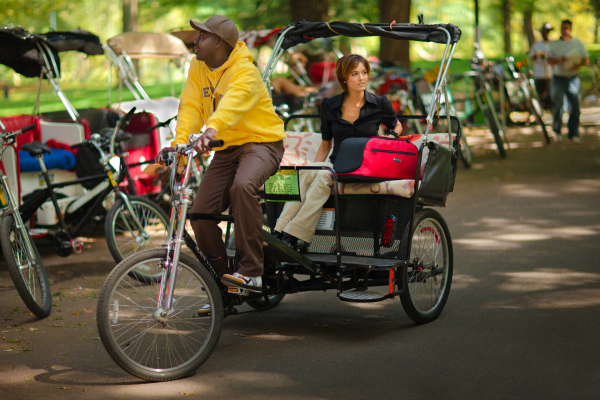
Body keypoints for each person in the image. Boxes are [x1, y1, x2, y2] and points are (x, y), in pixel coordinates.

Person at [161, 15, 286, 292]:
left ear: (219, 42)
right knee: (200, 214)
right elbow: (191, 105)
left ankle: (252, 272)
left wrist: (212, 128)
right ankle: (222, 286)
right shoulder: (198, 65)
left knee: (243, 187)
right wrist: (179, 142)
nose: (196, 41)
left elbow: (233, 102)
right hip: (225, 147)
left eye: (202, 36)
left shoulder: (245, 70)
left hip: (262, 143)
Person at [274, 54, 403, 250]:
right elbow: (326, 144)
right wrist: (313, 167)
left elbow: (397, 126)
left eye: (364, 73)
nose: (361, 78)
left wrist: (391, 138)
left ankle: (292, 236)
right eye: (354, 74)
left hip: (365, 166)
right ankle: (279, 230)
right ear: (344, 78)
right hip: (338, 163)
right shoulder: (330, 105)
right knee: (309, 171)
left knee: (324, 176)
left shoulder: (379, 104)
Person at [547, 19, 589, 143]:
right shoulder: (554, 44)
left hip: (573, 78)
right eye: (563, 28)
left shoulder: (577, 43)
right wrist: (561, 60)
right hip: (558, 78)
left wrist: (578, 65)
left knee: (575, 107)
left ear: (570, 29)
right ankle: (557, 131)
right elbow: (548, 60)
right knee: (558, 105)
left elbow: (585, 59)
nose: (565, 30)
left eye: (567, 28)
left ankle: (573, 133)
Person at [528, 23, 554, 108]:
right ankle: (541, 107)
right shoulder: (537, 44)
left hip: (549, 72)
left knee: (549, 91)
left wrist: (545, 57)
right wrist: (536, 56)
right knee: (540, 91)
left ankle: (550, 107)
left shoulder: (552, 44)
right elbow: (531, 56)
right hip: (539, 72)